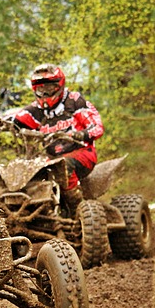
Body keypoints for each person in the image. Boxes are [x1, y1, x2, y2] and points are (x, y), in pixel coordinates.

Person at [13, 63, 104, 212]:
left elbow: (98, 126)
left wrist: (83, 134)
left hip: (82, 152)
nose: (44, 93)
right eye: (40, 88)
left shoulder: (75, 101)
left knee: (63, 165)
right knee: (28, 171)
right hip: (51, 158)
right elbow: (14, 120)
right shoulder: (34, 110)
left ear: (59, 86)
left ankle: (79, 210)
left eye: (49, 88)